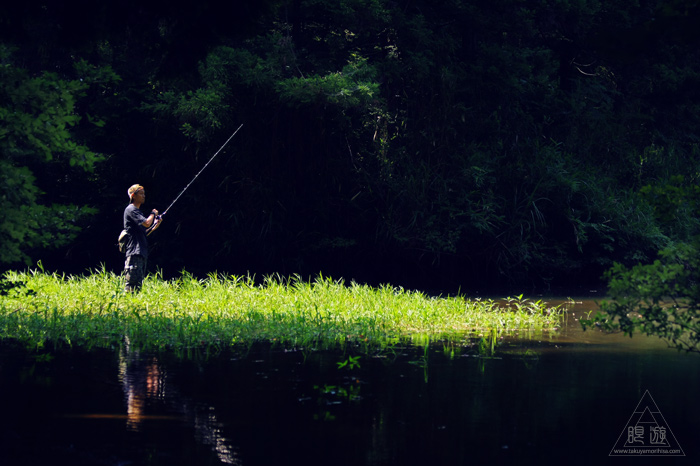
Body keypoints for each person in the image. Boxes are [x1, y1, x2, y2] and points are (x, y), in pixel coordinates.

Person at [123, 184, 159, 292]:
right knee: (131, 285)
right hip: (134, 253)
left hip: (140, 253)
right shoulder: (131, 209)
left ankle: (134, 307)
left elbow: (145, 231)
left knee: (138, 286)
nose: (144, 196)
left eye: (144, 194)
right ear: (133, 195)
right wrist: (153, 214)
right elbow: (147, 223)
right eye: (141, 194)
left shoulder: (136, 211)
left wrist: (155, 225)